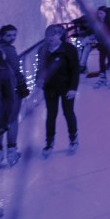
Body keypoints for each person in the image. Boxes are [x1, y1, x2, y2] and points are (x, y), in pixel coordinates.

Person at [0, 25, 28, 167]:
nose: (12, 38)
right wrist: (22, 86)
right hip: (11, 90)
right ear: (2, 35)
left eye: (14, 35)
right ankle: (11, 151)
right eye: (9, 35)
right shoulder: (9, 50)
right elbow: (16, 70)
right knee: (12, 120)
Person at [36, 24, 80, 157]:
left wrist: (73, 88)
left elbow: (75, 70)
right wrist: (39, 81)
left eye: (53, 35)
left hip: (66, 87)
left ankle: (73, 139)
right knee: (51, 114)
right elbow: (40, 68)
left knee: (68, 113)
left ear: (60, 35)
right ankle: (49, 142)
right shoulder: (43, 50)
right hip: (50, 88)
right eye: (48, 35)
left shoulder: (69, 49)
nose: (50, 38)